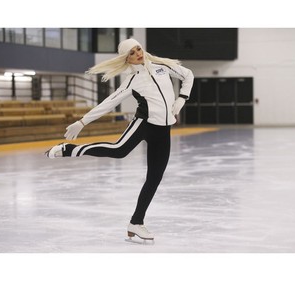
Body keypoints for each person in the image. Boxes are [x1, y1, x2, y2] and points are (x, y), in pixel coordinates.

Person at [45, 38, 194, 241]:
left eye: (138, 49)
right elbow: (108, 103)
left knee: (154, 179)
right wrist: (82, 122)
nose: (138, 54)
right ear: (127, 59)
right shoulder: (132, 81)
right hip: (144, 124)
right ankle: (68, 149)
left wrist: (181, 99)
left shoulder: (162, 66)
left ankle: (136, 222)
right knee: (118, 150)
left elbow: (188, 75)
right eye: (131, 53)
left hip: (164, 130)